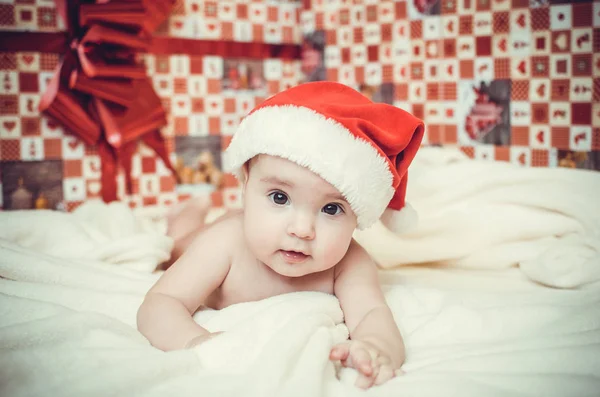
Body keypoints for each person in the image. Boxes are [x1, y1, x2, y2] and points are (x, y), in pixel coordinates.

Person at [137, 82, 425, 389]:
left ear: (358, 214)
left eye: (331, 208)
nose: (302, 230)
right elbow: (161, 303)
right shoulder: (225, 243)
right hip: (210, 235)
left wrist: (376, 348)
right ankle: (186, 219)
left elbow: (371, 313)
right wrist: (197, 342)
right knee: (176, 248)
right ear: (246, 185)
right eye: (279, 197)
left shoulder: (349, 262)